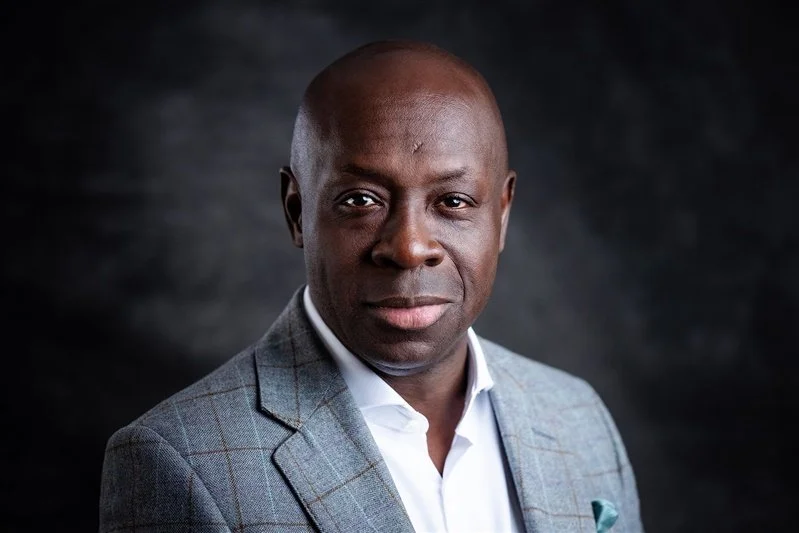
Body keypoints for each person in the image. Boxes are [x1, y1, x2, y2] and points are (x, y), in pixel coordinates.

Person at [99, 40, 643, 533]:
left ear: (500, 215)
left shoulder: (578, 418)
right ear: (297, 212)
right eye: (360, 200)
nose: (408, 248)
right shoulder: (178, 463)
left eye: (452, 201)